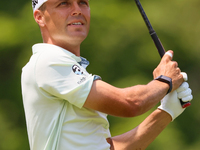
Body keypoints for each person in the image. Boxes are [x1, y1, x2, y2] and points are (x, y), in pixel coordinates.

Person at [21, 0, 193, 149]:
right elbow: (130, 103)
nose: (77, 10)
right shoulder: (48, 61)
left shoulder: (65, 67)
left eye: (83, 2)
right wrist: (164, 81)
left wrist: (166, 111)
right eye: (63, 3)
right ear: (40, 17)